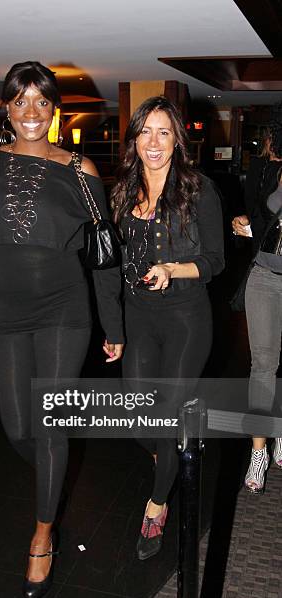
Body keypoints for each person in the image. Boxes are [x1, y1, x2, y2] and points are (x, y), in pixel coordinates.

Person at [0, 61, 124, 598]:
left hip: (64, 310)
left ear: (54, 110)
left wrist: (112, 325)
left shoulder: (81, 169)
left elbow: (104, 256)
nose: (30, 112)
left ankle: (43, 537)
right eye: (20, 100)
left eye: (41, 102)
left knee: (47, 424)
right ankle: (57, 471)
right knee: (16, 426)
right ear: (6, 108)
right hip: (5, 314)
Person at [111, 96, 224, 560]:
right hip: (139, 315)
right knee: (140, 413)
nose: (153, 143)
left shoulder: (199, 190)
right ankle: (168, 453)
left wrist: (172, 269)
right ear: (134, 139)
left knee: (165, 414)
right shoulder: (121, 192)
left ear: (177, 138)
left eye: (163, 132)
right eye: (145, 132)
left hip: (186, 318)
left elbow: (215, 260)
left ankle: (156, 505)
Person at [232, 106, 282, 493]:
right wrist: (246, 227)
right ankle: (259, 450)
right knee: (263, 364)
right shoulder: (263, 169)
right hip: (264, 277)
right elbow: (256, 219)